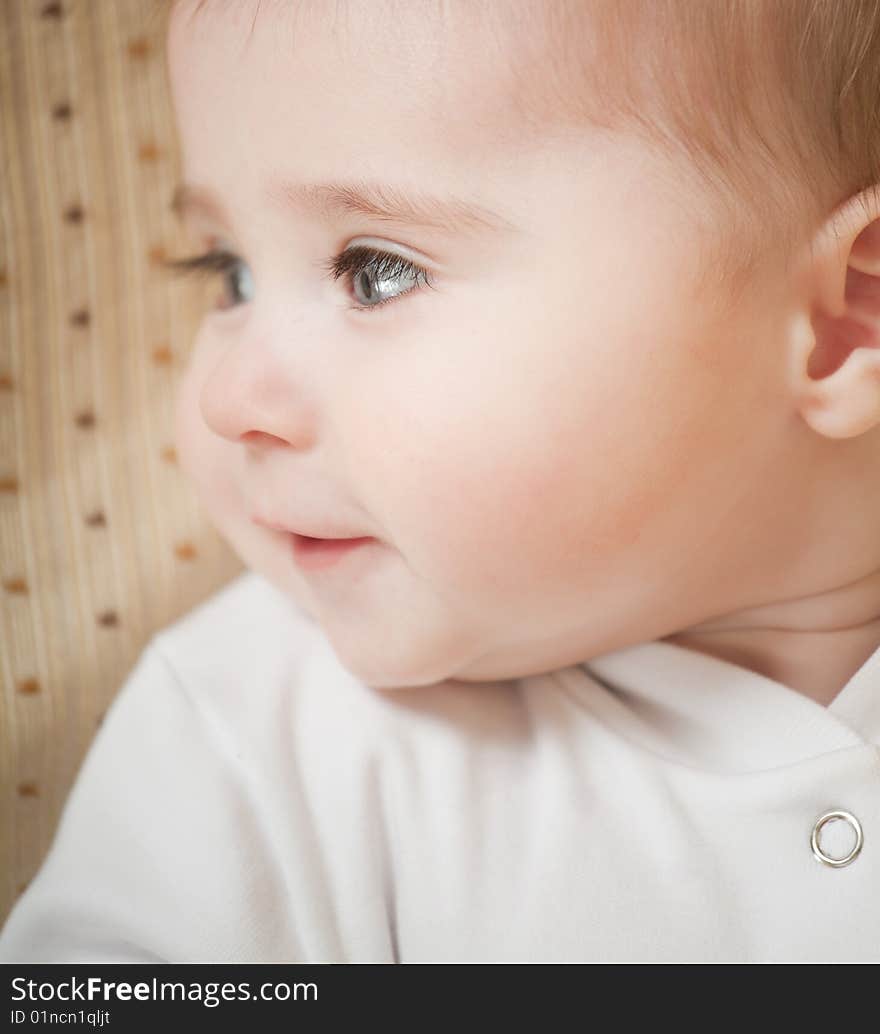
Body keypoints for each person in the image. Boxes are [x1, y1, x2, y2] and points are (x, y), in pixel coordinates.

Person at [2, 0, 879, 963]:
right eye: (231, 274)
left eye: (374, 271)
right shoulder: (256, 742)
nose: (224, 399)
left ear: (850, 322)